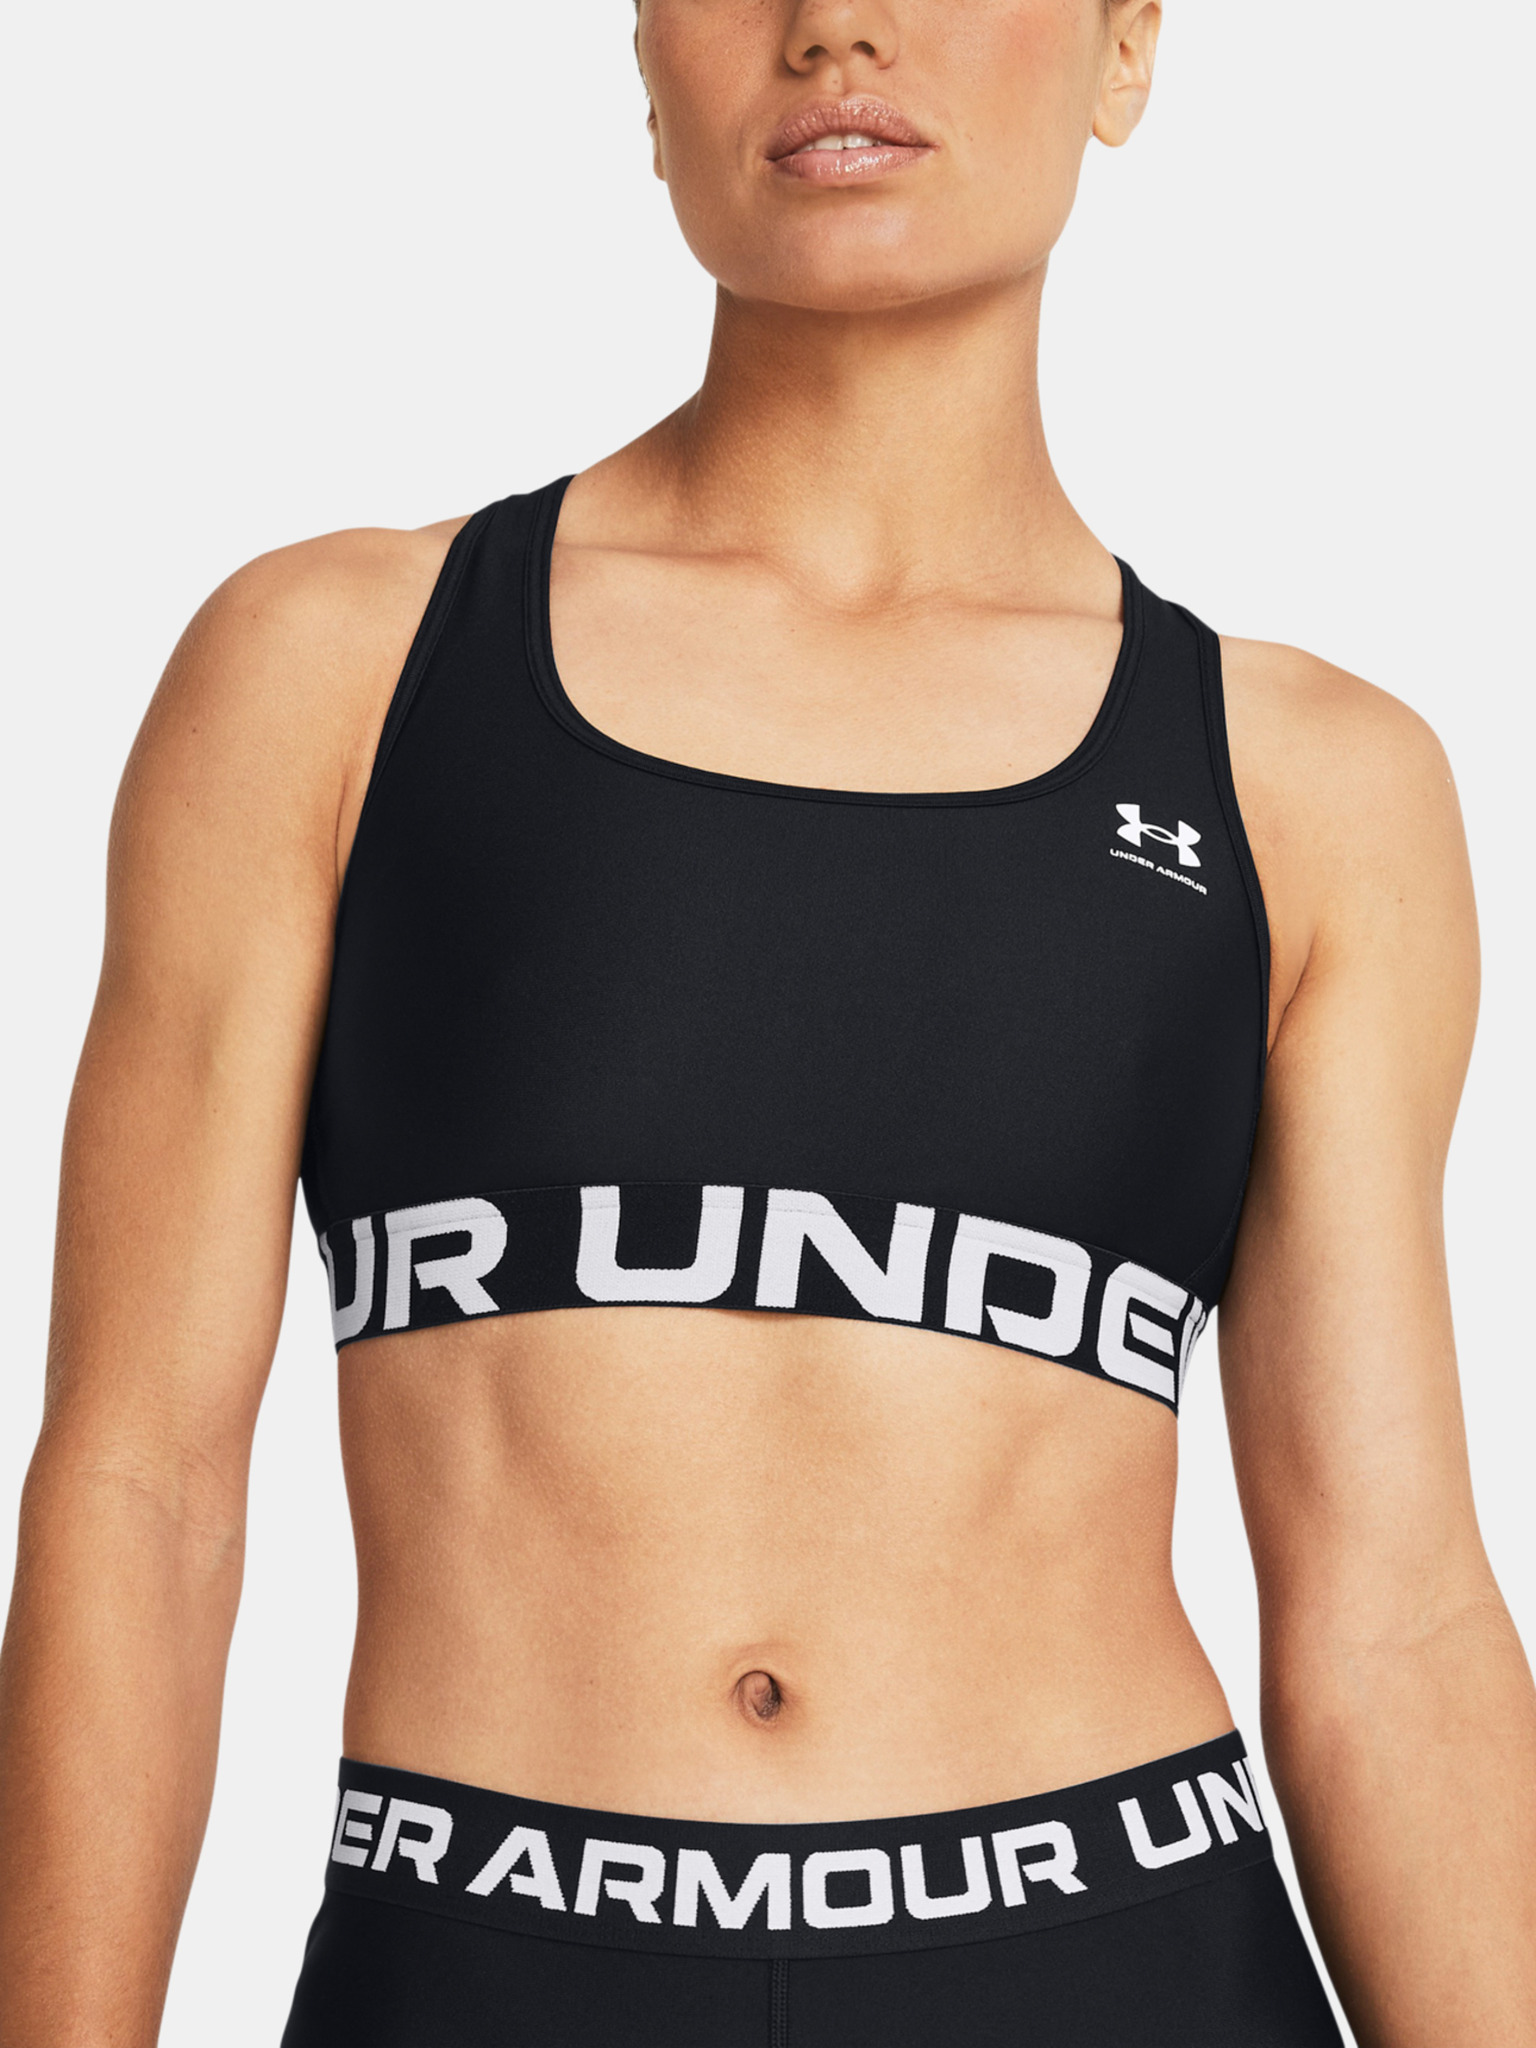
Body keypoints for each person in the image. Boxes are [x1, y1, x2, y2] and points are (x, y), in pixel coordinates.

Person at [2, 0, 1533, 2042]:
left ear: (1124, 52)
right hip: (485, 1967)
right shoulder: (334, 674)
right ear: (645, 63)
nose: (836, 28)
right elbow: (141, 1490)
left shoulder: (1313, 786)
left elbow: (1390, 1608)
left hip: (1118, 1968)